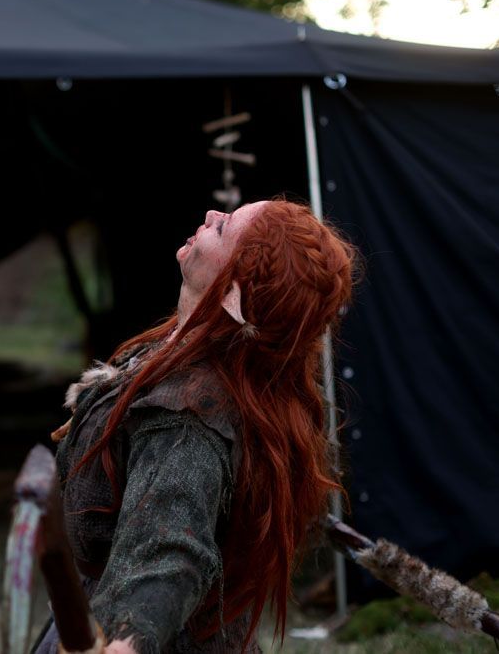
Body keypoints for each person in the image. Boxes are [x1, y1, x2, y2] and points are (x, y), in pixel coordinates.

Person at [35, 199, 357, 654]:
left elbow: (170, 552)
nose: (210, 216)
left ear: (232, 294)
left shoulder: (187, 417)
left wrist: (126, 639)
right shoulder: (195, 359)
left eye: (223, 228)